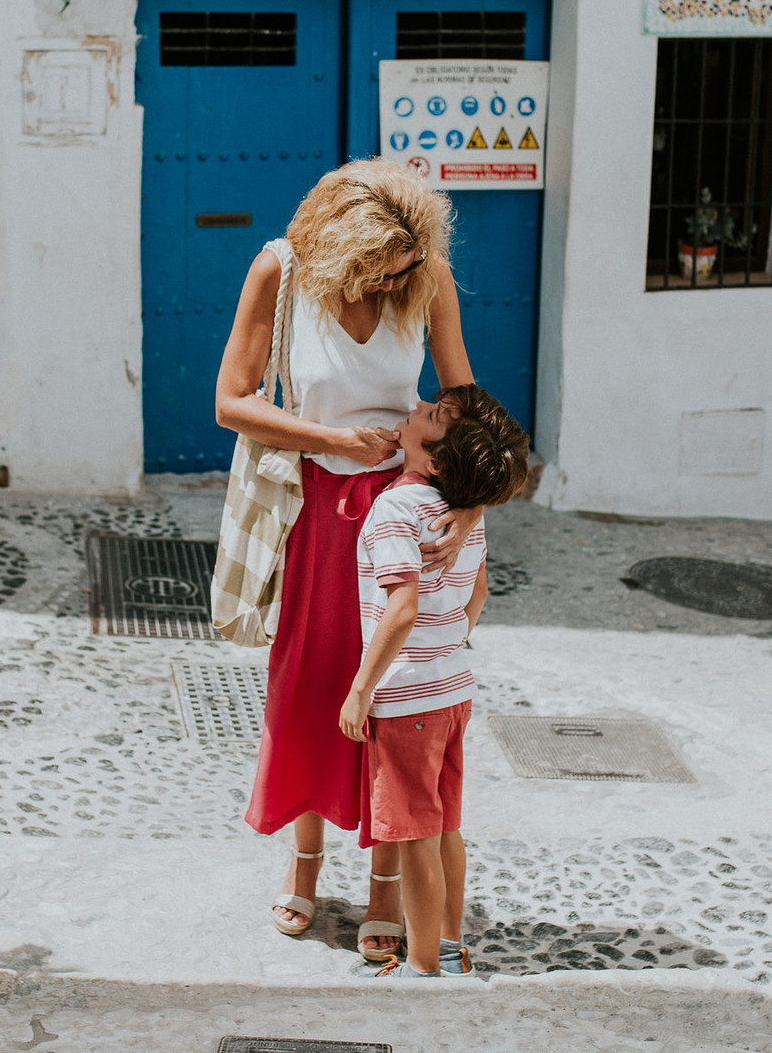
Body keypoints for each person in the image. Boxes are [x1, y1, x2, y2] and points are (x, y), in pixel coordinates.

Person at [214, 158, 482, 960]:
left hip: (402, 509)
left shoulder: (425, 272)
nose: (395, 278)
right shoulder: (280, 270)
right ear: (343, 248)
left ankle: (384, 890)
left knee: (392, 698)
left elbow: (462, 393)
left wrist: (469, 505)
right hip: (317, 514)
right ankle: (302, 869)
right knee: (311, 686)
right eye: (381, 267)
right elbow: (233, 400)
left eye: (406, 265)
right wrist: (331, 439)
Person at [338, 384, 530, 978]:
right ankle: (450, 943)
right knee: (445, 824)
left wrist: (362, 688)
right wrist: (448, 642)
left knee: (416, 833)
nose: (415, 408)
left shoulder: (396, 510)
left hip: (406, 700)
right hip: (453, 691)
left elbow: (399, 610)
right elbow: (480, 591)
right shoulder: (458, 514)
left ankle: (422, 966)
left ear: (436, 459)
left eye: (430, 416)